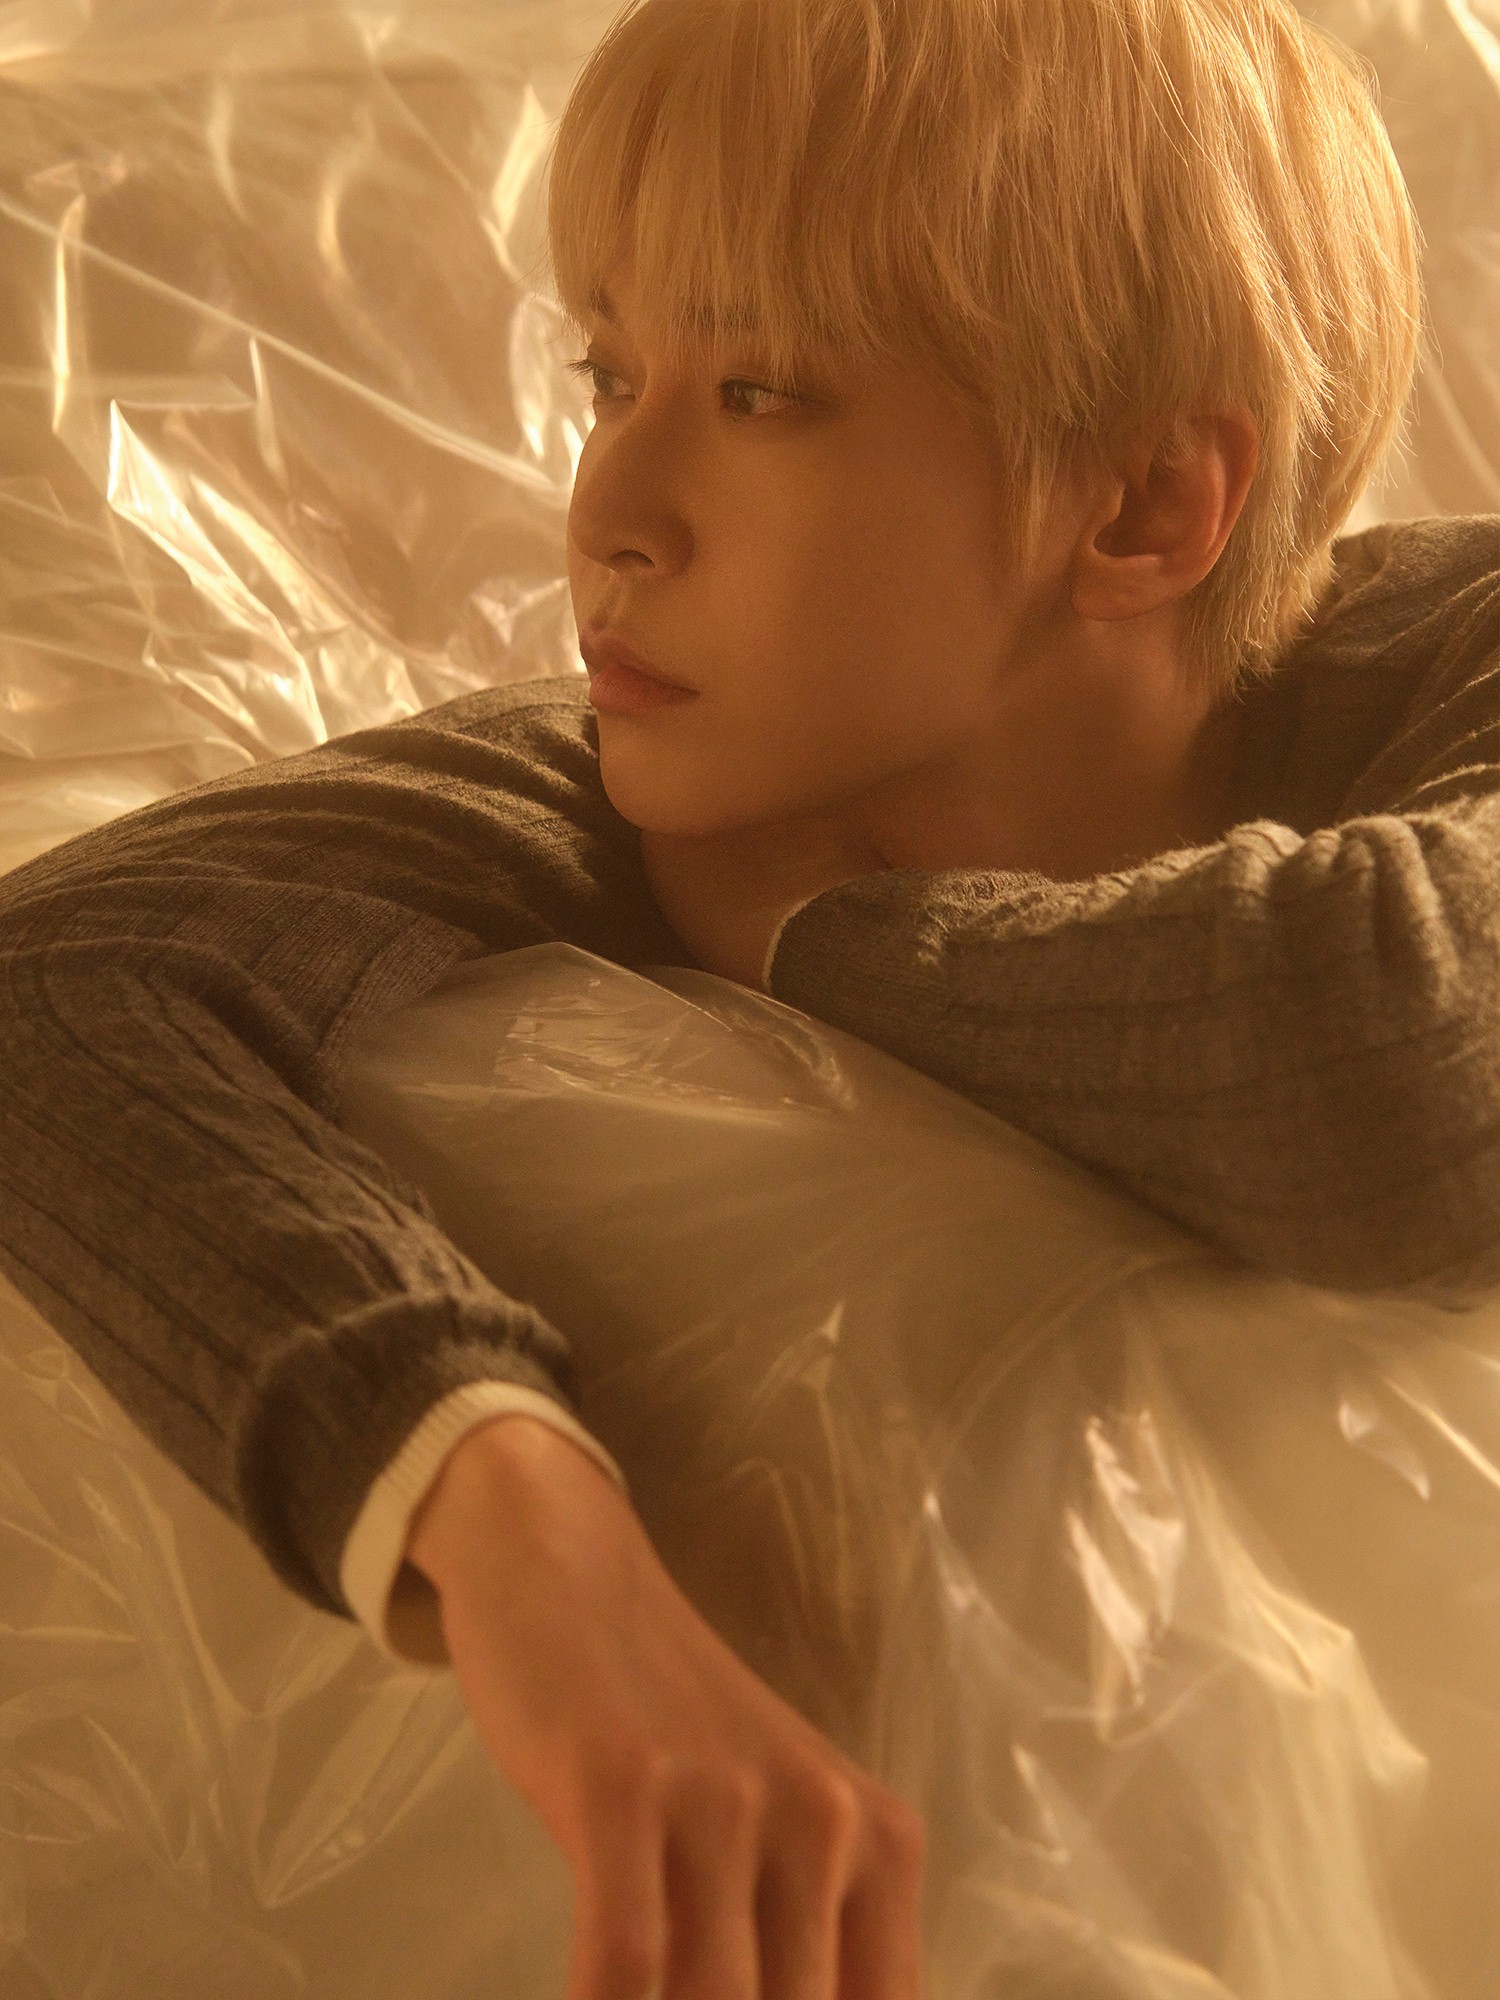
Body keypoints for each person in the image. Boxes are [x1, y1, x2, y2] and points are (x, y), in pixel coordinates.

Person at [0, 0, 1496, 1995]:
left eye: (763, 391)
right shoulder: (660, 753)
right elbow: (56, 979)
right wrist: (514, 1519)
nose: (607, 508)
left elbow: (1396, 1070)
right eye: (610, 373)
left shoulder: (1461, 646)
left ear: (1144, 507)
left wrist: (819, 926)